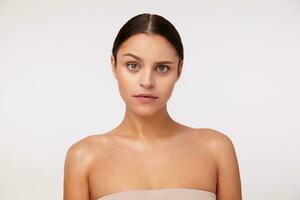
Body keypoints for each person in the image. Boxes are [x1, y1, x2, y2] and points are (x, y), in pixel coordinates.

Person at [63, 13, 242, 200]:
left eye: (162, 68)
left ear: (179, 69)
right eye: (133, 65)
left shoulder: (216, 149)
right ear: (114, 65)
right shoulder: (84, 157)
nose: (147, 82)